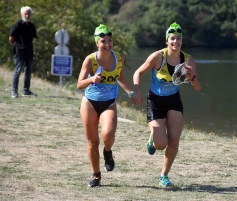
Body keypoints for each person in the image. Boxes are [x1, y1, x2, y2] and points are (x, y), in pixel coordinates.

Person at [133, 22, 201, 187]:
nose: (175, 41)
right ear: (167, 41)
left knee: (174, 140)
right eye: (172, 38)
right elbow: (138, 73)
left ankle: (164, 176)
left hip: (173, 100)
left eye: (178, 38)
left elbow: (198, 87)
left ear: (182, 41)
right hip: (155, 100)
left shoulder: (187, 59)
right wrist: (137, 91)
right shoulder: (158, 57)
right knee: (161, 144)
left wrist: (192, 77)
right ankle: (153, 139)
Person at [77, 24, 139, 188]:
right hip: (90, 102)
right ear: (97, 43)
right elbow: (79, 84)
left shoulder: (119, 58)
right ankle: (96, 176)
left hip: (109, 102)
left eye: (110, 40)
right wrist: (91, 79)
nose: (107, 44)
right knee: (92, 142)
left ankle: (107, 152)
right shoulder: (90, 60)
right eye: (103, 41)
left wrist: (131, 93)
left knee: (108, 134)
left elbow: (121, 77)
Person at [9, 6, 38, 98]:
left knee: (28, 72)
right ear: (21, 14)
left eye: (29, 13)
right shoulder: (17, 25)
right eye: (25, 13)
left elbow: (33, 37)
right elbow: (11, 38)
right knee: (17, 72)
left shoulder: (31, 26)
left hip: (29, 52)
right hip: (19, 52)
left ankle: (26, 91)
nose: (27, 15)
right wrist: (17, 46)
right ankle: (14, 91)